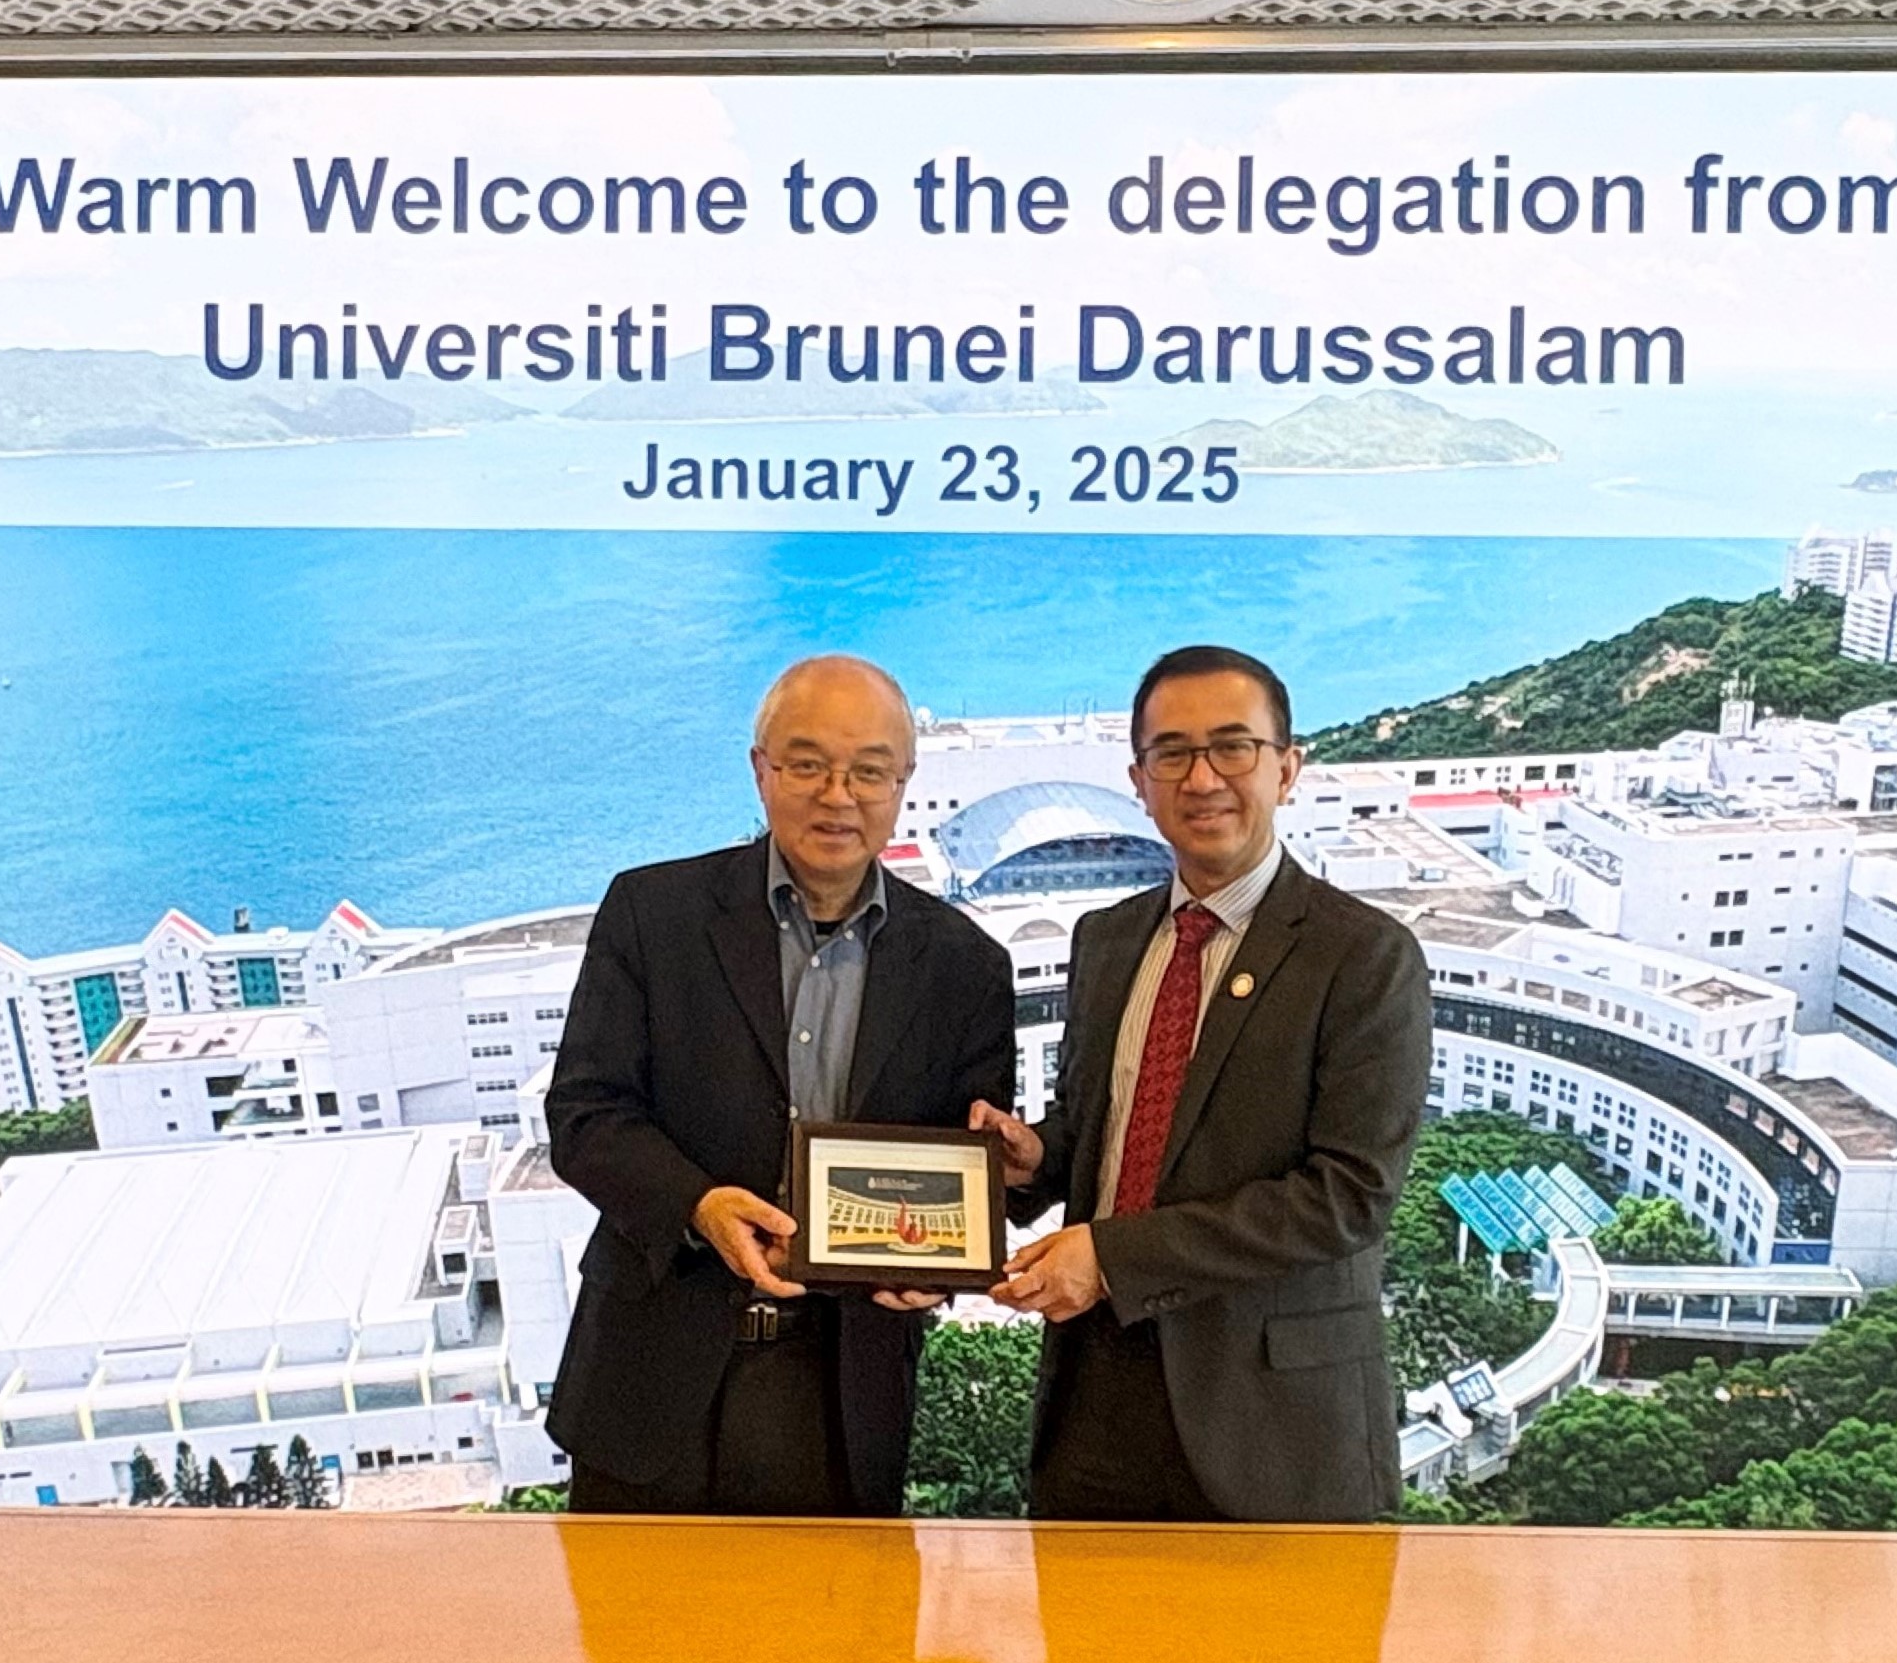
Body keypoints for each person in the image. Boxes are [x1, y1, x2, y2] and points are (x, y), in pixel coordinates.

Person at [544, 655, 1017, 1515]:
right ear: (761, 770)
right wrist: (697, 1205)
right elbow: (585, 1115)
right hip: (649, 1374)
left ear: (903, 783)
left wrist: (935, 1268)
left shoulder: (966, 967)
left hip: (843, 1392)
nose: (838, 795)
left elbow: (965, 1176)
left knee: (838, 1611)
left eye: (869, 770)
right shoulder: (653, 914)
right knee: (633, 1610)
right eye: (807, 764)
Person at [972, 644, 1430, 1523]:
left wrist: (1114, 1259)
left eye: (1233, 747)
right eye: (1172, 753)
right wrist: (1036, 1157)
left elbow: (1348, 1197)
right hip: (1095, 1399)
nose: (1203, 777)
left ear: (1287, 768)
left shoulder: (1364, 957)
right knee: (1083, 1616)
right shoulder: (1107, 940)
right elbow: (1104, 1129)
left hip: (1274, 1424)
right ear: (1138, 781)